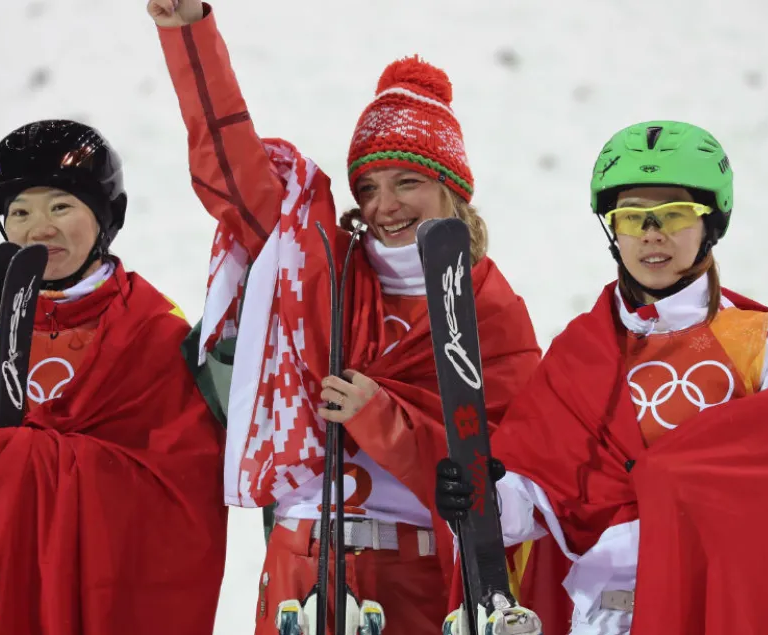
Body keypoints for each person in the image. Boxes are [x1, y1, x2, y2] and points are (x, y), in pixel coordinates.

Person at [146, 2, 543, 633]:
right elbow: (232, 175)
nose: (384, 206)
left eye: (406, 181)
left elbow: (506, 478)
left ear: (452, 189)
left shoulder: (490, 310)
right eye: (368, 187)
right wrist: (187, 31)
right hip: (297, 570)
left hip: (413, 577)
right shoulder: (321, 269)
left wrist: (382, 419)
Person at [436, 121, 768, 635]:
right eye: (632, 218)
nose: (653, 234)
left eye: (674, 214)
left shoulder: (766, 344)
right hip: (600, 617)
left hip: (706, 613)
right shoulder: (580, 352)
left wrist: (673, 486)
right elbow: (538, 503)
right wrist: (478, 498)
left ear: (711, 224)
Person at [0, 119, 228, 635]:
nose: (37, 228)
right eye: (19, 212)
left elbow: (185, 483)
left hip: (106, 602)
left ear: (105, 217)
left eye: (60, 206)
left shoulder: (156, 333)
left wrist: (31, 467)